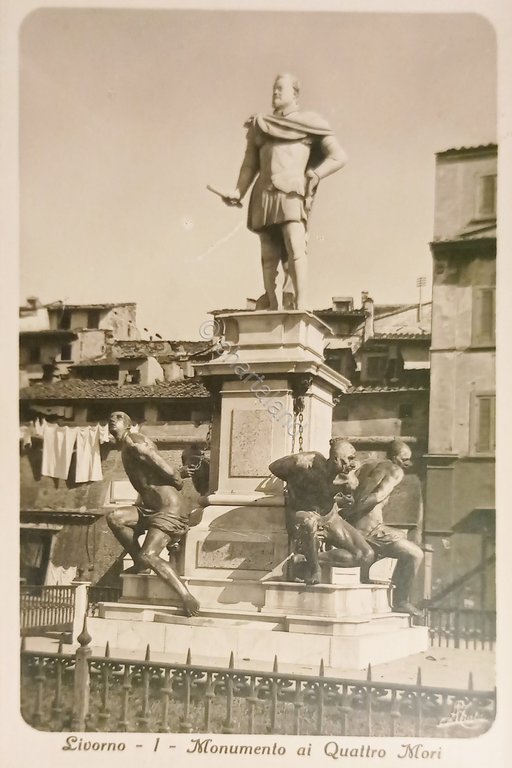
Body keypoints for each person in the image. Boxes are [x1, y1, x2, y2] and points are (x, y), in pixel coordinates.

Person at [217, 73, 346, 310]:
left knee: (295, 247)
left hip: (291, 192)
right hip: (264, 193)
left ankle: (301, 304)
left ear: (295, 94)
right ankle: (272, 302)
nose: (275, 93)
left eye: (280, 89)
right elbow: (249, 164)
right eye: (273, 89)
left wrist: (316, 174)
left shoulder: (310, 122)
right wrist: (239, 191)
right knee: (268, 254)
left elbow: (339, 156)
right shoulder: (261, 125)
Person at [105, 411, 200, 617]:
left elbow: (152, 457)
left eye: (119, 417)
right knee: (115, 518)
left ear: (129, 425)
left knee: (149, 554)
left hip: (169, 509)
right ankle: (139, 563)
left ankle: (186, 596)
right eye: (111, 417)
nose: (113, 419)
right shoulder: (126, 445)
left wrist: (175, 476)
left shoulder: (133, 440)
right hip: (149, 509)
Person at [269, 439, 374, 585]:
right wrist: (293, 461)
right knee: (309, 521)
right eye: (349, 459)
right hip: (302, 514)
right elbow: (274, 467)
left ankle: (305, 559)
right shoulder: (310, 463)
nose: (353, 464)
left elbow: (343, 500)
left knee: (366, 555)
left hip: (329, 518)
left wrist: (345, 501)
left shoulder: (347, 479)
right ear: (336, 458)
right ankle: (314, 569)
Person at [343, 439, 424, 616]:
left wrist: (349, 515)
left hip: (356, 526)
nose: (408, 464)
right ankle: (400, 601)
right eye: (405, 459)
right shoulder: (396, 470)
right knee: (415, 554)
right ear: (395, 458)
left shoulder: (366, 466)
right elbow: (377, 495)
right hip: (371, 529)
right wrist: (355, 510)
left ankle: (365, 577)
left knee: (399, 537)